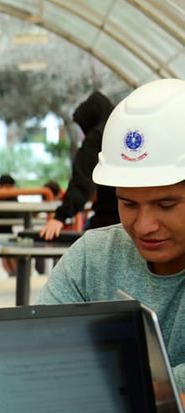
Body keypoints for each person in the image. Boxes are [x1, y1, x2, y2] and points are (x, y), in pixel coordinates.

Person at [37, 78, 185, 395]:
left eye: (166, 204)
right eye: (128, 203)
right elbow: (40, 352)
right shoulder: (92, 256)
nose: (144, 226)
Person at [39, 91, 119, 240]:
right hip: (134, 219)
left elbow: (82, 180)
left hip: (109, 221)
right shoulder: (126, 133)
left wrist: (59, 217)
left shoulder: (97, 138)